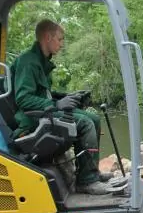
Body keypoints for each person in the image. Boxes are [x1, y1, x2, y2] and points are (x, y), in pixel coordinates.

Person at [7, 19, 113, 195]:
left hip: (44, 112)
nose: (62, 44)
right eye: (60, 39)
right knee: (85, 123)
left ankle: (90, 172)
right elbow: (23, 99)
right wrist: (56, 104)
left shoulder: (41, 61)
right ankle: (86, 183)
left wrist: (68, 97)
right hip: (32, 120)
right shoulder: (29, 62)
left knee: (93, 118)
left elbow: (43, 93)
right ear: (48, 37)